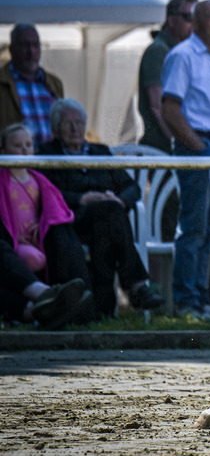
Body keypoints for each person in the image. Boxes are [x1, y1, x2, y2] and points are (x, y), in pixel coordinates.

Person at [37, 99, 163, 316]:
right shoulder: (47, 152)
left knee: (107, 224)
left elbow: (131, 188)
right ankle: (138, 287)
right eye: (68, 123)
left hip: (103, 219)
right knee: (110, 215)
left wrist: (120, 201)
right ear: (56, 128)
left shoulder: (100, 151)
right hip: (71, 219)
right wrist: (82, 199)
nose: (76, 128)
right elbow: (44, 192)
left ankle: (102, 311)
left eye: (79, 122)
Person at [161, 0, 210, 318]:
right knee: (193, 225)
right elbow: (170, 109)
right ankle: (185, 301)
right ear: (196, 21)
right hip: (200, 147)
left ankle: (200, 296)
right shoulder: (182, 56)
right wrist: (198, 148)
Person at [0, 123, 96, 323]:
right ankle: (49, 298)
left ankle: (51, 304)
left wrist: (42, 226)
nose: (25, 150)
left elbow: (55, 211)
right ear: (3, 151)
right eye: (18, 146)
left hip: (38, 241)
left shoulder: (40, 181)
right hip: (12, 244)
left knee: (62, 234)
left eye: (28, 145)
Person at [137, 0, 197, 153]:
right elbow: (158, 106)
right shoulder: (159, 51)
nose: (194, 23)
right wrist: (178, 144)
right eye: (188, 17)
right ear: (171, 20)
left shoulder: (183, 52)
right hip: (162, 148)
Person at [0, 24, 64, 147]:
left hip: (52, 159)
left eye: (35, 45)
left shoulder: (54, 84)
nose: (31, 51)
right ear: (11, 49)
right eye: (25, 45)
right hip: (15, 161)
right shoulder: (2, 81)